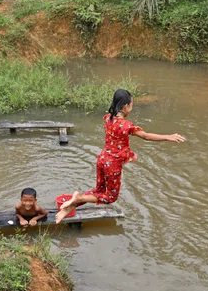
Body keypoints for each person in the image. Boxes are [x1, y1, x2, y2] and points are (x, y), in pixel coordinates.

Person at [55, 89, 185, 223]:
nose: (132, 108)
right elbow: (145, 136)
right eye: (131, 105)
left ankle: (69, 207)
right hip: (112, 165)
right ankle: (78, 198)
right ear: (125, 107)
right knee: (110, 197)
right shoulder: (126, 125)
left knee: (99, 191)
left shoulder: (108, 119)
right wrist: (168, 137)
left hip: (102, 159)